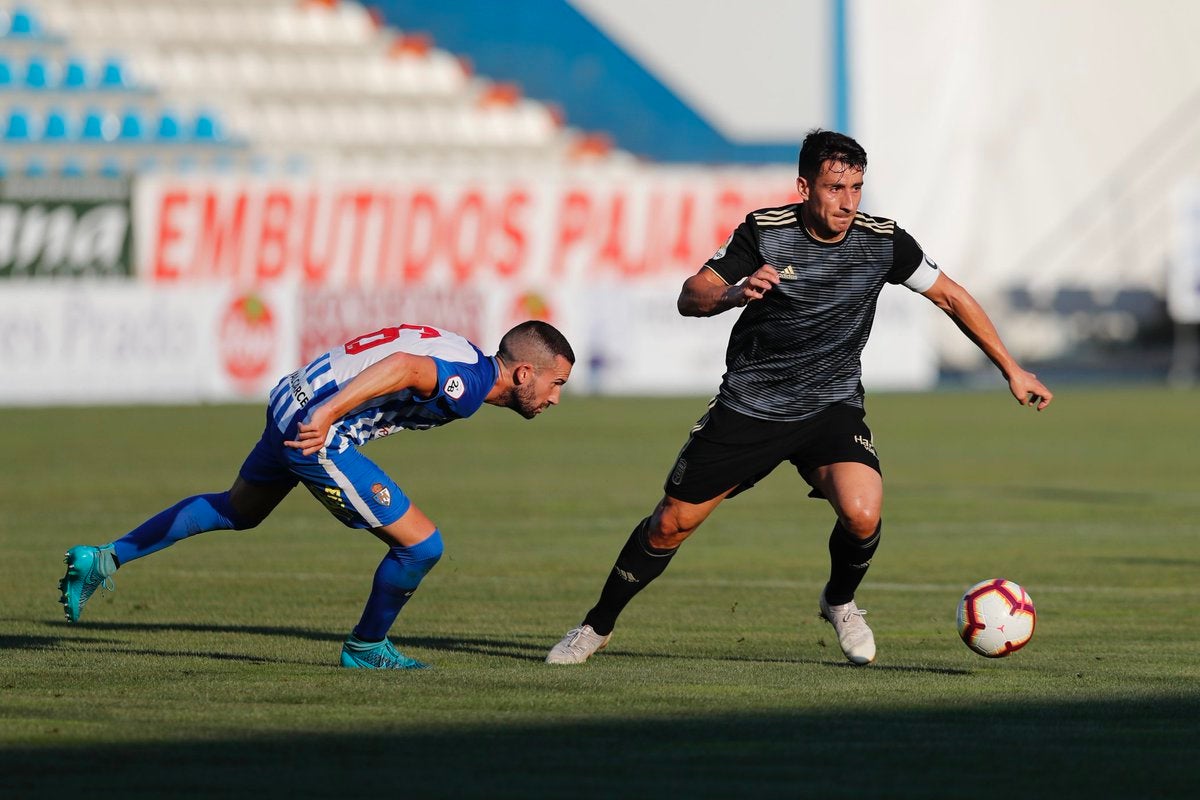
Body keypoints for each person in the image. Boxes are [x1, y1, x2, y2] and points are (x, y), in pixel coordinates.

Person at [546, 129, 1053, 666]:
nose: (848, 201)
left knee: (863, 511)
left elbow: (950, 295)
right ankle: (595, 626)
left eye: (857, 187)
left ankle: (839, 601)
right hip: (752, 406)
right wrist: (734, 293)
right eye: (836, 188)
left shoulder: (884, 240)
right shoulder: (764, 232)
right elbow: (689, 296)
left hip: (831, 405)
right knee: (671, 522)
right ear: (804, 186)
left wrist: (1011, 369)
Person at [59, 320, 575, 670]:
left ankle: (104, 558)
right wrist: (328, 415)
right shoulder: (467, 382)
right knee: (422, 546)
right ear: (524, 372)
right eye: (556, 384)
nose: (555, 398)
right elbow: (402, 366)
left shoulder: (463, 349)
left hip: (291, 396)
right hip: (319, 427)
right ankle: (367, 647)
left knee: (237, 509)